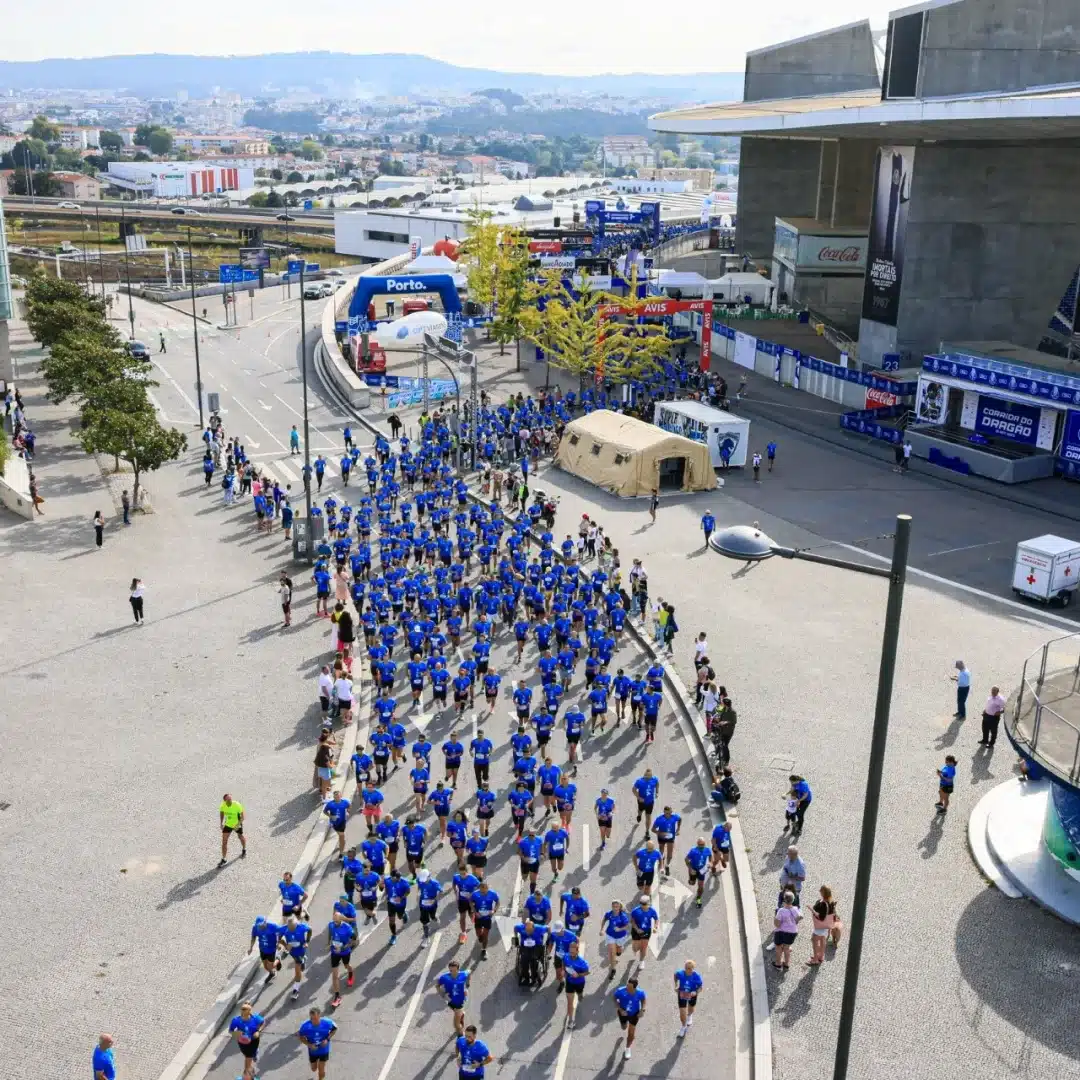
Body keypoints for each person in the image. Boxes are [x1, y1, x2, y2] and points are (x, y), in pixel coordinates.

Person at [327, 910, 358, 1006]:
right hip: (334, 952)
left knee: (346, 966)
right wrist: (329, 943)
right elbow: (330, 933)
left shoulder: (347, 927)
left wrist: (344, 947)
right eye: (334, 920)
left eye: (336, 921)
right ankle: (337, 996)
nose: (335, 923)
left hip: (344, 952)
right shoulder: (331, 925)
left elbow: (354, 938)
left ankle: (350, 973)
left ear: (341, 919)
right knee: (334, 975)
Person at [297, 1007, 336, 1080]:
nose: (313, 1021)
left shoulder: (327, 1022)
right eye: (311, 1018)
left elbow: (334, 1029)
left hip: (324, 1049)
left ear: (320, 1016)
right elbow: (300, 1036)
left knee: (321, 1069)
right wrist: (309, 1045)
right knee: (314, 1069)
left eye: (315, 1018)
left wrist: (327, 1039)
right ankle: (315, 1064)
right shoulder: (305, 1026)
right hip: (313, 1051)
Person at [229, 1003, 265, 1080]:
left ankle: (247, 1075)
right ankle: (254, 1053)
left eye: (244, 1009)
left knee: (248, 1059)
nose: (242, 1011)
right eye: (242, 1009)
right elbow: (231, 1031)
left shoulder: (255, 1018)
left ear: (249, 1011)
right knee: (247, 1055)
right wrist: (236, 1033)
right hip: (242, 1042)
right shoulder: (236, 1020)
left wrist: (258, 1031)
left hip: (254, 1041)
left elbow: (263, 1022)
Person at [613, 977, 646, 1060]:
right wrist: (620, 1009)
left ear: (634, 987)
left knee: (631, 1033)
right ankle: (624, 1024)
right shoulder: (621, 990)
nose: (627, 988)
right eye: (627, 985)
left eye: (629, 987)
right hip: (623, 1013)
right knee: (624, 1027)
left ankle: (627, 1048)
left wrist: (642, 1010)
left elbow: (643, 999)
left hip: (634, 1014)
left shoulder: (640, 993)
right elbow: (614, 998)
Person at [437, 960, 471, 1034]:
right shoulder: (444, 977)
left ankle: (461, 1035)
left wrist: (468, 984)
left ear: (458, 969)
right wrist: (441, 994)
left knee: (456, 1025)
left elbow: (469, 971)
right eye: (450, 970)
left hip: (459, 1001)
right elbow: (437, 985)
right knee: (455, 1010)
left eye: (454, 971)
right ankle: (462, 1014)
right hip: (449, 999)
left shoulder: (463, 974)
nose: (452, 973)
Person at [562, 939, 590, 1027]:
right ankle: (570, 1020)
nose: (571, 954)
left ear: (577, 951)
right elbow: (564, 963)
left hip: (579, 982)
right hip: (569, 982)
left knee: (580, 995)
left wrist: (578, 975)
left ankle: (580, 995)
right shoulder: (566, 956)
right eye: (570, 952)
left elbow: (587, 972)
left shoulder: (582, 962)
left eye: (573, 953)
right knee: (569, 1002)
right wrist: (563, 971)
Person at [249, 915, 283, 985]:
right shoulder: (255, 927)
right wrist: (251, 947)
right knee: (265, 966)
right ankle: (272, 973)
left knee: (271, 966)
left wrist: (278, 943)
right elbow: (253, 937)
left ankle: (278, 960)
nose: (260, 927)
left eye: (261, 925)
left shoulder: (273, 926)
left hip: (271, 949)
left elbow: (279, 933)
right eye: (259, 925)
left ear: (265, 922)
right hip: (262, 949)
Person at [772, 891, 802, 970]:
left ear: (784, 900)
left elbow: (777, 924)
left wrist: (775, 919)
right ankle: (786, 964)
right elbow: (799, 918)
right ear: (793, 900)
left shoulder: (781, 910)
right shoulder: (795, 909)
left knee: (778, 947)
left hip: (781, 932)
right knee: (787, 948)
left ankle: (778, 964)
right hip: (792, 932)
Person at [808, 885, 836, 966]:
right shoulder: (831, 902)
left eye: (820, 890)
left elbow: (821, 917)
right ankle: (820, 956)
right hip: (826, 926)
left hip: (820, 926)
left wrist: (811, 910)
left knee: (814, 940)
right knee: (822, 940)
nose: (819, 891)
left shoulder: (823, 904)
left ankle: (815, 959)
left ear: (823, 892)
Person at [674, 960, 702, 1037]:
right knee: (682, 1012)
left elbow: (700, 987)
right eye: (686, 968)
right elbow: (675, 975)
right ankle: (683, 1027)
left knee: (691, 1008)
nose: (688, 970)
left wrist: (696, 992)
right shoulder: (680, 973)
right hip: (682, 994)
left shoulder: (697, 976)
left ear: (693, 968)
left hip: (692, 994)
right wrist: (676, 985)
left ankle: (689, 1016)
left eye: (690, 968)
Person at [218, 794, 246, 866]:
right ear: (225, 801)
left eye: (231, 799)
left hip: (237, 823)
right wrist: (221, 823)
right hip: (228, 824)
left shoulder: (237, 805)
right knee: (224, 841)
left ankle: (244, 849)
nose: (230, 801)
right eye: (228, 800)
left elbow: (242, 817)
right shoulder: (223, 805)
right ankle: (224, 859)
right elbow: (222, 812)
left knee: (240, 837)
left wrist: (237, 825)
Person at [685, 838, 710, 907]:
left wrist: (710, 863)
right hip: (693, 869)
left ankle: (698, 899)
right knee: (692, 883)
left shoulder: (707, 850)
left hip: (702, 870)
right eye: (700, 845)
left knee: (701, 886)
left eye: (703, 844)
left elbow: (710, 857)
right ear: (697, 844)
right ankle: (690, 880)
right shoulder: (693, 851)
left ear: (705, 844)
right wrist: (690, 868)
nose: (701, 846)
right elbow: (686, 859)